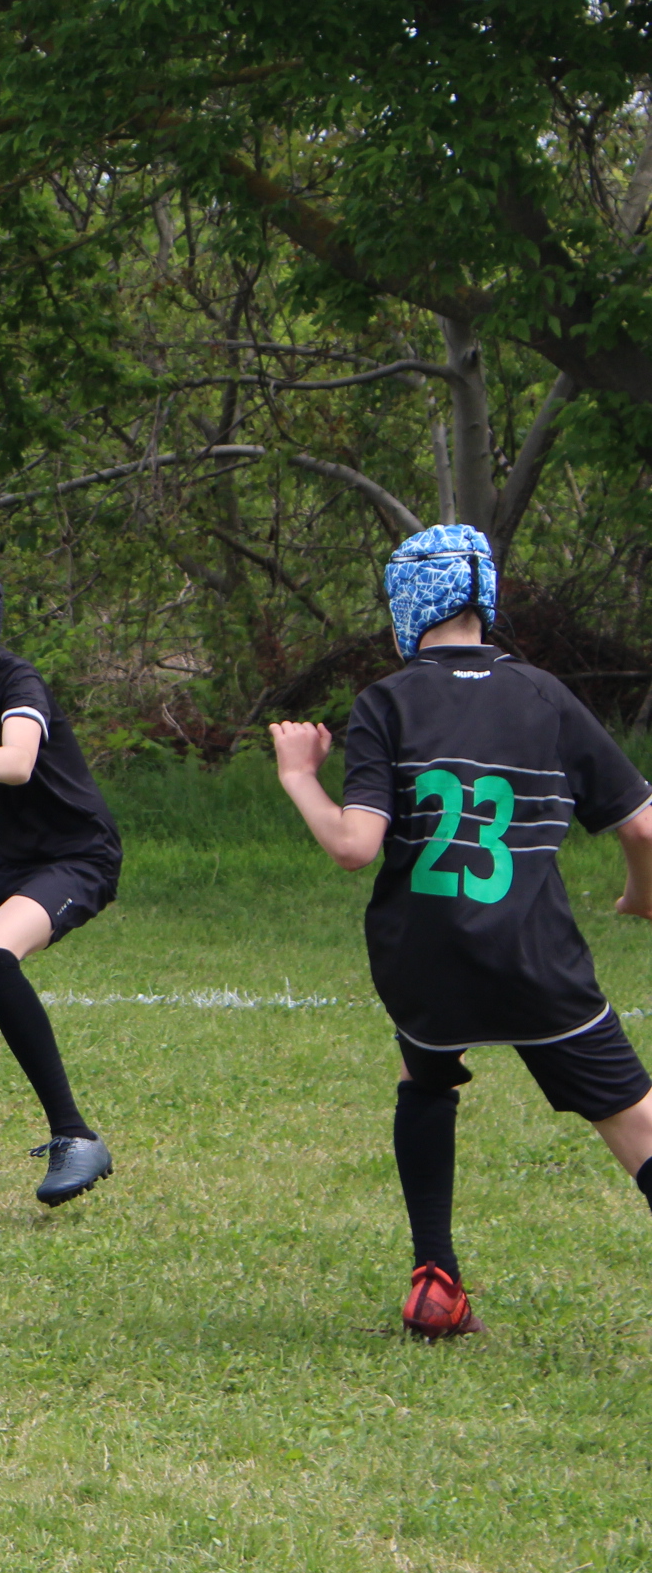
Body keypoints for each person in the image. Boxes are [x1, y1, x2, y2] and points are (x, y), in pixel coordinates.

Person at [272, 524, 652, 1338]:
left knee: (426, 1077)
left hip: (424, 958)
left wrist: (300, 776)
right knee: (634, 1120)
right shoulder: (545, 695)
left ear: (407, 604)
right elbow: (644, 826)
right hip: (532, 956)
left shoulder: (386, 701)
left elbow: (354, 845)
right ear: (486, 599)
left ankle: (435, 1282)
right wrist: (640, 894)